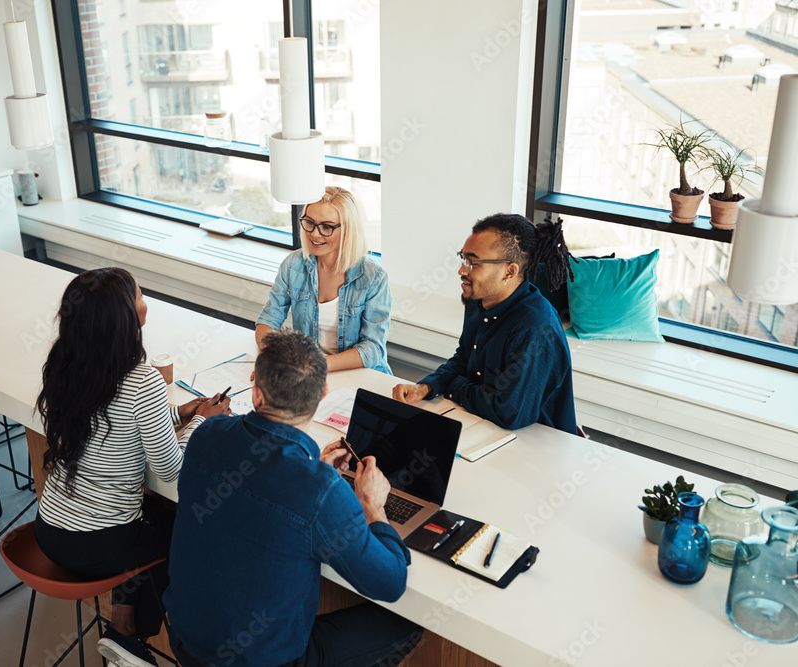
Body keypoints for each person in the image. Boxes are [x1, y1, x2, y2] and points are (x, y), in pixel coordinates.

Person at [164, 330, 421, 667]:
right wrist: (373, 507)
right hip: (265, 662)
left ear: (256, 394)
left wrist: (313, 471)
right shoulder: (320, 490)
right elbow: (390, 583)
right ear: (323, 394)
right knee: (408, 623)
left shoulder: (206, 435)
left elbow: (256, 494)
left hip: (185, 643)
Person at [34, 267, 230, 667]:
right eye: (140, 296)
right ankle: (129, 636)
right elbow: (172, 469)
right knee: (184, 524)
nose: (146, 303)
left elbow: (111, 420)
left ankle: (122, 625)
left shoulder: (67, 364)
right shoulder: (142, 380)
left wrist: (178, 412)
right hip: (98, 545)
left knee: (154, 518)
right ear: (123, 317)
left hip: (49, 528)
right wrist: (202, 421)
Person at [393, 214, 579, 435]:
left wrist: (453, 385)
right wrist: (426, 387)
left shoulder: (535, 326)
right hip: (483, 426)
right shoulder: (479, 300)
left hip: (537, 442)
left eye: (474, 263)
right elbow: (464, 358)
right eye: (463, 258)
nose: (462, 270)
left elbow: (509, 412)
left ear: (509, 271)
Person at [256, 186, 393, 373]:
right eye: (309, 223)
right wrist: (271, 359)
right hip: (308, 374)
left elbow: (373, 348)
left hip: (360, 376)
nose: (314, 234)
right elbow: (268, 321)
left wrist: (312, 366)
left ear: (348, 230)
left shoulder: (373, 277)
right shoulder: (293, 266)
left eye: (327, 227)